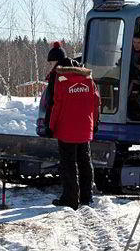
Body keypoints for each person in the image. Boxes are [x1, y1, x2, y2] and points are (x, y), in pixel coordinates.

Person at [49, 64, 101, 210]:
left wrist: (52, 126)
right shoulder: (89, 80)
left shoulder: (62, 81)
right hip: (85, 127)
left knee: (68, 164)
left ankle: (70, 198)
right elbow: (96, 103)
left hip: (66, 129)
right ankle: (86, 196)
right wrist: (95, 122)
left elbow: (57, 105)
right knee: (85, 162)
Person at [39, 42, 75, 138]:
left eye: (51, 62)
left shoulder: (57, 75)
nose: (50, 65)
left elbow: (53, 101)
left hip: (59, 119)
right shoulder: (74, 72)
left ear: (56, 61)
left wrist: (49, 125)